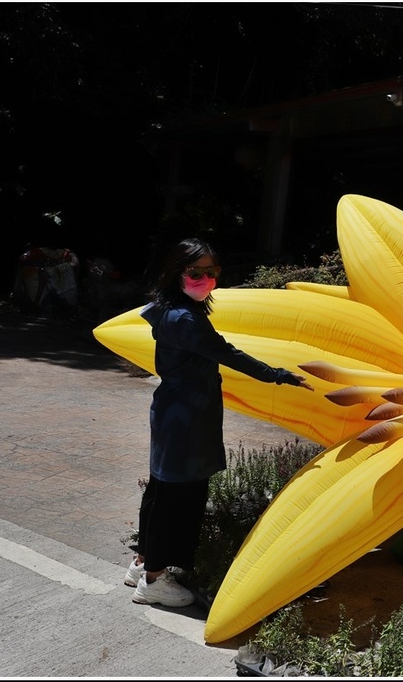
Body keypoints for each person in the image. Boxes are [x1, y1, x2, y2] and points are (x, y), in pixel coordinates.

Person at [124, 237, 314, 607]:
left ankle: (143, 563)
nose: (206, 279)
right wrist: (277, 374)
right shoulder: (184, 319)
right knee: (181, 496)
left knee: (162, 491)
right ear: (176, 272)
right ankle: (155, 581)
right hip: (187, 416)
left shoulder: (167, 309)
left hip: (175, 410)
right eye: (197, 272)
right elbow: (228, 353)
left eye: (212, 272)